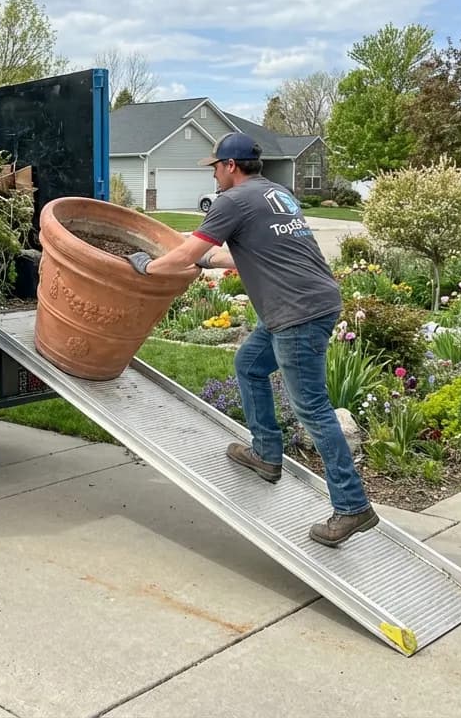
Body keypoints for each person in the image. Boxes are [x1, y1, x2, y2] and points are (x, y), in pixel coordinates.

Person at [127, 132, 378, 547]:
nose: (214, 177)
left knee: (312, 409)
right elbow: (250, 252)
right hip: (310, 302)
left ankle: (352, 506)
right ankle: (265, 454)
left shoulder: (234, 200)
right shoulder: (275, 194)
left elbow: (186, 253)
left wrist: (148, 267)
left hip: (296, 313)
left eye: (216, 168)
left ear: (230, 166)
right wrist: (208, 259)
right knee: (249, 364)